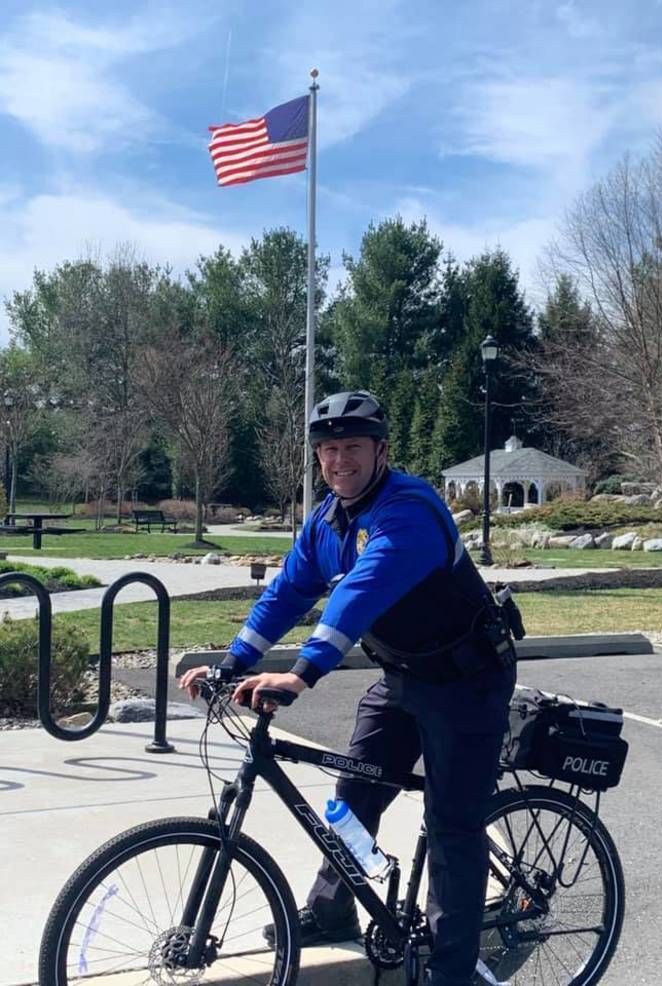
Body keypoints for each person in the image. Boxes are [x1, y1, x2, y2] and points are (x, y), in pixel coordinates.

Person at [180, 390, 520, 986]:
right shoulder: (328, 522)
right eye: (328, 450)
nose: (339, 461)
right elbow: (287, 591)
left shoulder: (408, 510)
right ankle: (333, 909)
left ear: (381, 451)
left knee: (451, 827)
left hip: (467, 683)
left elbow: (355, 596)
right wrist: (233, 661)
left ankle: (452, 969)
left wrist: (300, 673)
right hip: (405, 676)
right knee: (352, 797)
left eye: (352, 448)